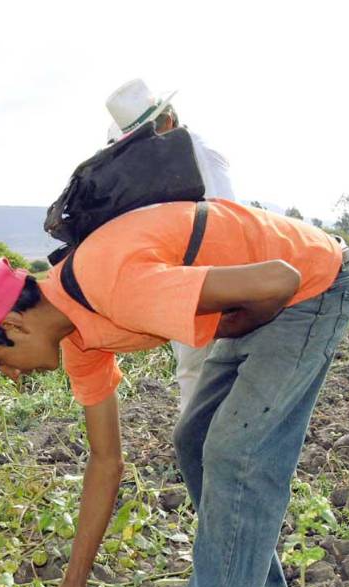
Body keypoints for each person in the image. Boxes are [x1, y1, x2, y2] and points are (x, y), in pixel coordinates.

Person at [0, 199, 349, 587]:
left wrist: (233, 326)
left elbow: (279, 279)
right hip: (263, 297)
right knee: (195, 440)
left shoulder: (109, 284)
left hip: (312, 283)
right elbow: (105, 461)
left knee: (236, 452)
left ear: (12, 326)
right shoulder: (80, 339)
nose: (11, 377)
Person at [104, 79, 235, 414]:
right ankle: (197, 450)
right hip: (184, 280)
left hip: (217, 275)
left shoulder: (199, 152)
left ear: (168, 121)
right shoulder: (157, 163)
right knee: (193, 370)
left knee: (213, 366)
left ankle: (207, 447)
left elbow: (224, 220)